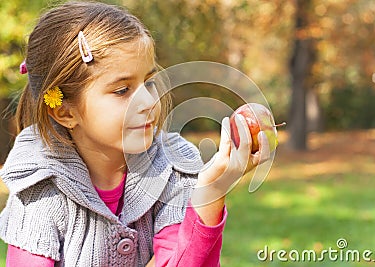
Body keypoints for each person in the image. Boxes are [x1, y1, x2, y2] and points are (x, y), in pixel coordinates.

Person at [0, 1, 270, 266]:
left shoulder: (172, 169)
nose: (149, 100)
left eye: (149, 82)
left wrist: (211, 192)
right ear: (66, 112)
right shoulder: (39, 190)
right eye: (122, 90)